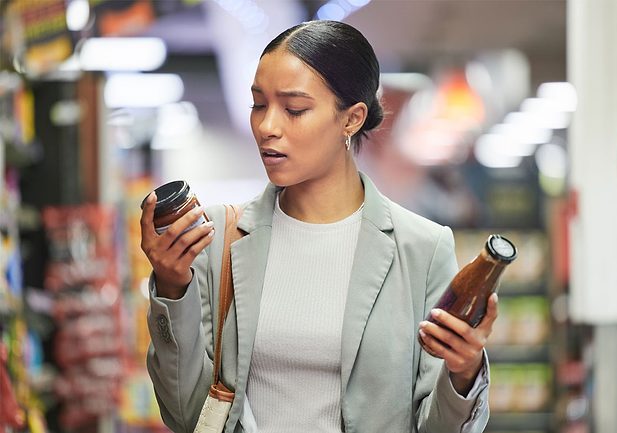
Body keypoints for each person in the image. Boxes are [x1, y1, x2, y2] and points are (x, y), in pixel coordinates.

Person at [140, 20, 497, 433]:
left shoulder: (421, 248)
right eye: (259, 104)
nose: (268, 126)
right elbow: (186, 414)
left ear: (352, 119)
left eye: (294, 109)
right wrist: (171, 288)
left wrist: (464, 371)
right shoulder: (220, 236)